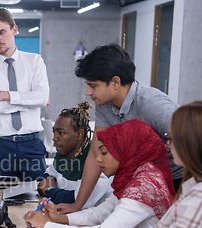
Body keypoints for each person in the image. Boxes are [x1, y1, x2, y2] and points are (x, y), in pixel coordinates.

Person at [58, 43, 181, 214]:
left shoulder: (152, 104)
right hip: (145, 180)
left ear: (115, 82)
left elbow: (192, 142)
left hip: (178, 179)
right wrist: (77, 205)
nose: (88, 92)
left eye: (93, 85)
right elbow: (95, 155)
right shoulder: (105, 105)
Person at [24, 119, 176, 228]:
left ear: (125, 152)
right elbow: (100, 213)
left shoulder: (145, 187)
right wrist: (60, 219)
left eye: (104, 152)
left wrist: (46, 225)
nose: (98, 159)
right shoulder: (134, 178)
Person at [0, 8, 50, 181]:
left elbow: (41, 97)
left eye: (1, 32)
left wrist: (5, 95)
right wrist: (31, 100)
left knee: (39, 196)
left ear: (14, 30)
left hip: (32, 144)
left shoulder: (35, 61)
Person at [37, 98, 112, 208]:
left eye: (61, 133)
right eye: (54, 132)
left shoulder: (98, 158)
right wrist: (48, 186)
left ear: (79, 135)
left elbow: (78, 201)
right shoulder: (63, 154)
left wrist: (49, 190)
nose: (54, 138)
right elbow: (45, 177)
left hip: (98, 221)